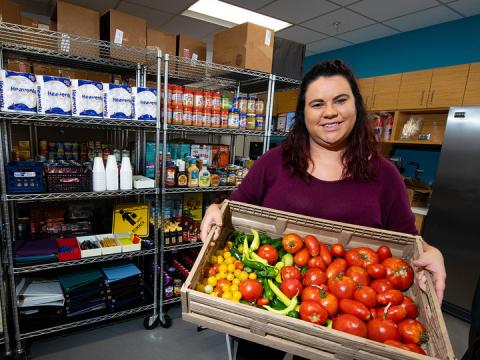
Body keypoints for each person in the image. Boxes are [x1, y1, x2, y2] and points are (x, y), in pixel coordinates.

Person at [200, 60, 446, 359]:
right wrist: (215, 207)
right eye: (318, 104)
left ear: (356, 105)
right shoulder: (273, 162)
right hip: (267, 306)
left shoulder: (385, 176)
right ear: (304, 114)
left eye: (340, 100)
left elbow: (407, 240)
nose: (330, 112)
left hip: (341, 320)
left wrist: (431, 251)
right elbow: (236, 205)